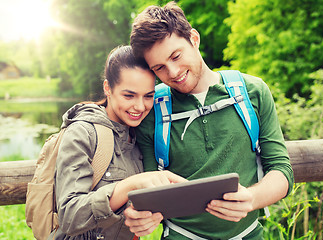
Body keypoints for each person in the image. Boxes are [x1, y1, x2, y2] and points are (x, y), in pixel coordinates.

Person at [124, 2, 294, 239]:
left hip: (248, 234)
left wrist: (252, 199)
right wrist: (139, 215)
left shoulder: (253, 91)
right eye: (160, 68)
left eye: (176, 56)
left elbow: (281, 171)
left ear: (194, 38)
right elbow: (151, 189)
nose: (172, 72)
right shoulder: (152, 110)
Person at [47, 45, 186, 240]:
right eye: (129, 95)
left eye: (148, 96)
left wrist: (150, 218)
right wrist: (128, 186)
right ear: (107, 88)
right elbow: (70, 216)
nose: (139, 107)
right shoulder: (82, 133)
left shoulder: (143, 132)